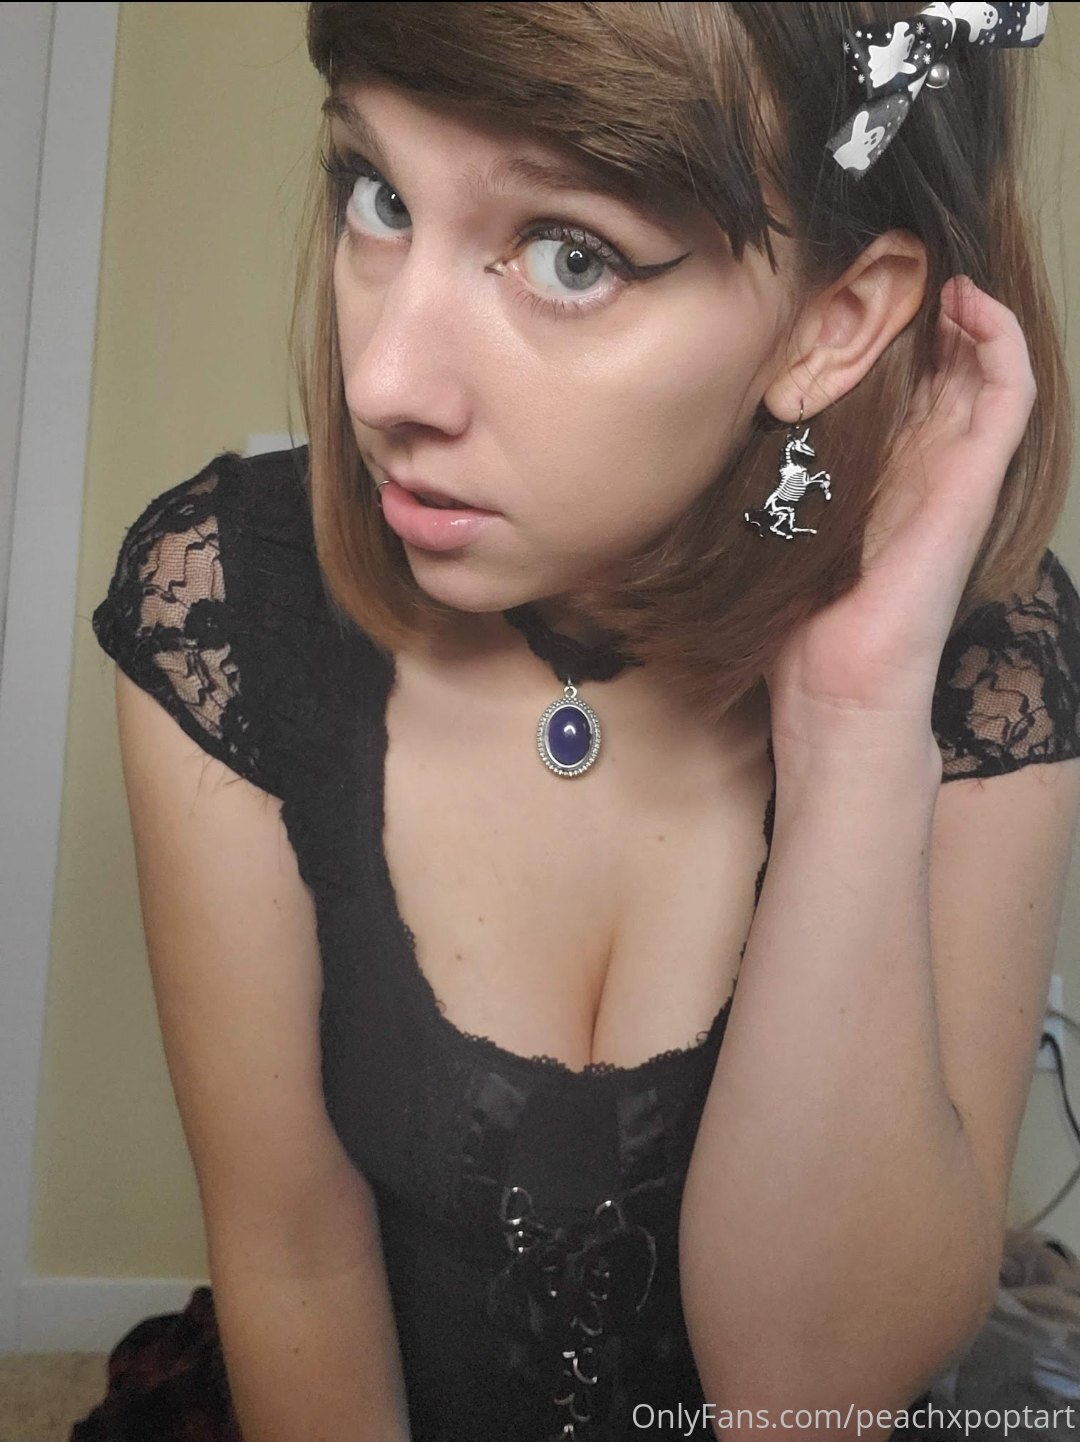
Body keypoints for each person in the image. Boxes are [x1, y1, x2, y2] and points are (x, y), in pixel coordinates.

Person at [84, 3, 1080, 1440]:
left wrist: (858, 716)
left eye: (570, 255)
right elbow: (292, 1259)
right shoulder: (228, 604)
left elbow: (812, 1397)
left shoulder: (979, 657)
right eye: (378, 196)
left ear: (836, 321)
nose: (382, 384)